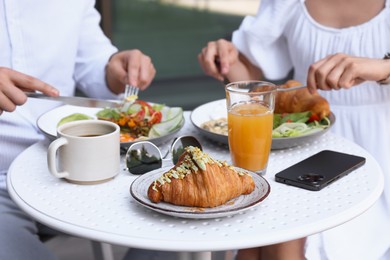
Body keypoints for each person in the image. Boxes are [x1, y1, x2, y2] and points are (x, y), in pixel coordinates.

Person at [198, 0, 390, 259]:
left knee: (284, 239)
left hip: (377, 154)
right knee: (258, 232)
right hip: (300, 146)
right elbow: (249, 82)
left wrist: (383, 68)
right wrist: (224, 58)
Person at [0, 1, 156, 259]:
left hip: (78, 164)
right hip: (3, 179)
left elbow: (92, 62)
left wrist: (113, 70)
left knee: (183, 226)